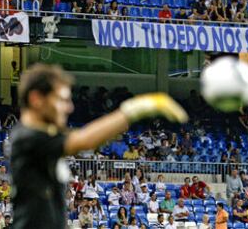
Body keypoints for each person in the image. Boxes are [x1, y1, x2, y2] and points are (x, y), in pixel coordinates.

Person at [10, 64, 187, 229]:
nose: (69, 107)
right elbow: (85, 139)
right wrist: (133, 110)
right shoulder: (28, 138)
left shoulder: (41, 138)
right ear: (36, 99)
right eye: (61, 100)